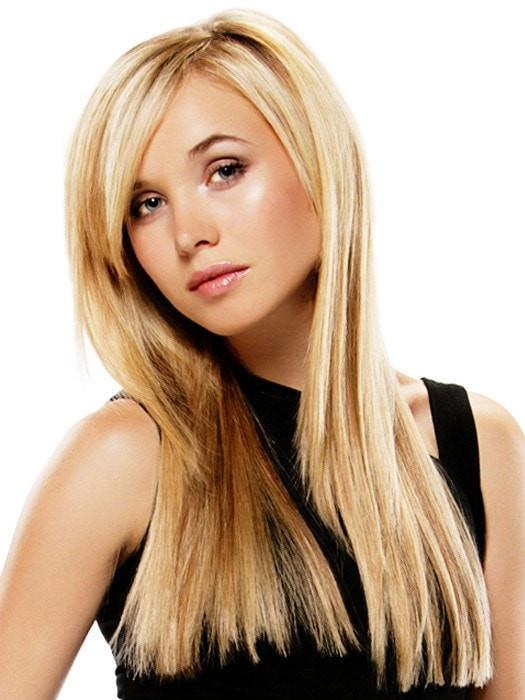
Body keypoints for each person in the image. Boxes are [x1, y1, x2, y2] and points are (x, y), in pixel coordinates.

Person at [1, 8, 523, 699]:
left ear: (316, 159)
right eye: (146, 204)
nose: (188, 232)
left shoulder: (478, 443)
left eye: (224, 170)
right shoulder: (127, 457)